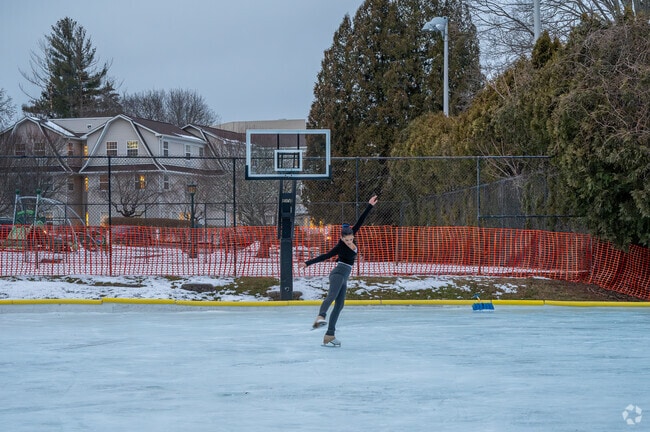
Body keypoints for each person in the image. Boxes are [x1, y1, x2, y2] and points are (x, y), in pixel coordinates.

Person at [299, 195, 379, 346]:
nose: (349, 242)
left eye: (351, 240)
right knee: (332, 296)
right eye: (346, 240)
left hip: (344, 276)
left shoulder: (352, 234)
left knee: (340, 305)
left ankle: (330, 335)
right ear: (342, 239)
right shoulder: (340, 246)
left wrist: (369, 206)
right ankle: (320, 316)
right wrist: (307, 263)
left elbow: (361, 220)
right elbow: (324, 256)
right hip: (338, 273)